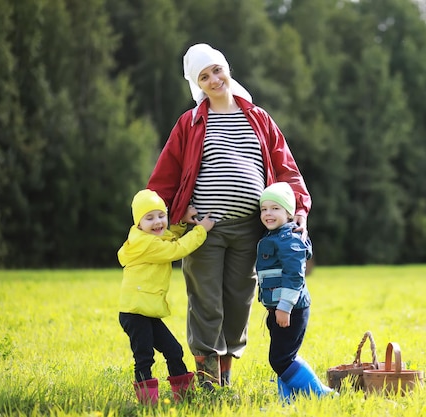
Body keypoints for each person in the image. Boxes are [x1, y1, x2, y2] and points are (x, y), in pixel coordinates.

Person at [146, 43, 311, 390]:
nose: (214, 79)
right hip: (204, 230)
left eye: (217, 70)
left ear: (227, 69)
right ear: (198, 84)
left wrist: (299, 209)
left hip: (253, 229)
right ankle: (206, 384)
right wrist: (174, 212)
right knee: (206, 302)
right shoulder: (190, 122)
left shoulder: (259, 117)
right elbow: (164, 177)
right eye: (204, 76)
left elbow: (286, 168)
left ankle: (224, 379)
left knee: (239, 302)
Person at [118, 189, 215, 405]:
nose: (157, 222)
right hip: (135, 313)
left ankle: (185, 399)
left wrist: (180, 224)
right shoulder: (147, 244)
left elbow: (169, 238)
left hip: (146, 310)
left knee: (173, 350)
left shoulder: (149, 238)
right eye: (149, 218)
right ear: (138, 224)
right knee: (144, 358)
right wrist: (200, 230)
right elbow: (176, 250)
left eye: (161, 215)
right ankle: (148, 405)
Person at [256, 182, 333, 401]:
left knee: (281, 360)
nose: (268, 213)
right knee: (285, 357)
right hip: (278, 308)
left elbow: (295, 276)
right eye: (264, 209)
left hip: (291, 308)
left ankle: (320, 394)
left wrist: (284, 306)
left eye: (275, 208)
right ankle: (286, 401)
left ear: (289, 213)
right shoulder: (272, 236)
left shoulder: (289, 239)